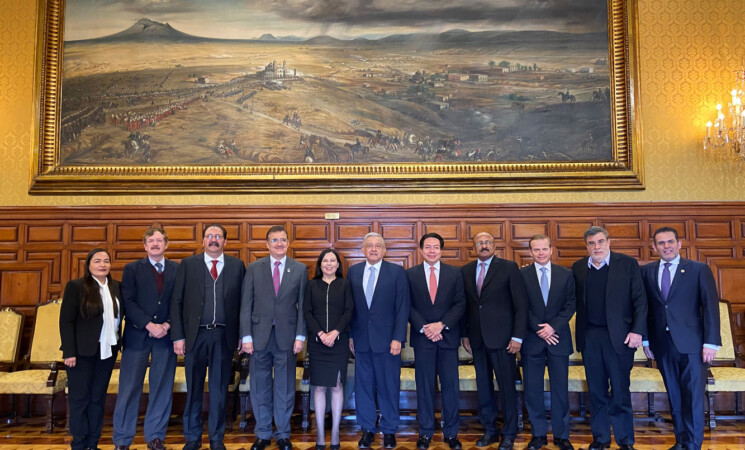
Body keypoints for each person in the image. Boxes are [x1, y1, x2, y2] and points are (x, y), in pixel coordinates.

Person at [641, 227, 720, 450]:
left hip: (694, 345)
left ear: (679, 244)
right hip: (662, 345)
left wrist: (711, 342)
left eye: (670, 242)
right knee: (674, 396)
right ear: (654, 247)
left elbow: (710, 307)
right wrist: (646, 340)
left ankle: (694, 444)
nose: (666, 246)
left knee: (693, 397)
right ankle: (681, 441)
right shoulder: (646, 272)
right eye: (661, 243)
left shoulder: (698, 269)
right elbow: (644, 308)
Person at [170, 224, 246, 450]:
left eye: (218, 236)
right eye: (209, 236)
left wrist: (242, 335)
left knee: (220, 390)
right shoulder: (188, 265)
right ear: (203, 240)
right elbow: (177, 302)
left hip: (223, 336)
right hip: (195, 336)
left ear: (225, 241)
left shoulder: (237, 266)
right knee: (193, 388)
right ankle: (192, 439)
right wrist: (178, 337)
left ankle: (216, 438)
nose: (214, 239)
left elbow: (244, 304)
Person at [572, 226, 647, 450]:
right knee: (596, 391)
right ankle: (601, 439)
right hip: (590, 337)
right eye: (591, 243)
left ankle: (625, 441)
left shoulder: (627, 264)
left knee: (621, 391)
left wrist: (637, 331)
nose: (596, 247)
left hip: (621, 338)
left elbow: (640, 301)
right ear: (586, 246)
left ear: (608, 242)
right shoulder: (577, 268)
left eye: (600, 242)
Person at [241, 225, 307, 450]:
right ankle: (262, 433)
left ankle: (282, 433)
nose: (279, 244)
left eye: (283, 240)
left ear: (288, 243)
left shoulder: (299, 269)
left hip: (287, 338)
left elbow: (302, 306)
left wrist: (300, 335)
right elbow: (245, 304)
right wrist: (246, 336)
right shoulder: (253, 267)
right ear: (267, 244)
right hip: (258, 337)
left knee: (285, 387)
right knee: (259, 387)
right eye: (274, 240)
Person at [461, 231, 528, 450]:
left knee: (507, 386)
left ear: (494, 245)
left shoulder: (509, 268)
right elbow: (467, 307)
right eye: (479, 242)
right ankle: (489, 429)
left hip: (504, 340)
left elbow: (521, 305)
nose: (484, 245)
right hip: (477, 340)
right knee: (484, 386)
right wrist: (464, 334)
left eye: (487, 242)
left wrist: (517, 336)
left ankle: (509, 431)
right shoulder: (466, 271)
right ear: (473, 247)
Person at [113, 227, 178, 450]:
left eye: (159, 240)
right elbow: (128, 302)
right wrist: (149, 325)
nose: (155, 244)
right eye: (151, 240)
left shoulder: (177, 270)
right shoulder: (132, 269)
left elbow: (179, 302)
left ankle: (155, 436)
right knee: (129, 388)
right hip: (137, 335)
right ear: (145, 245)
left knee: (162, 387)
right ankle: (123, 439)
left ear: (166, 245)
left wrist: (167, 325)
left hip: (166, 338)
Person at [348, 232, 410, 449]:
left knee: (388, 386)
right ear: (363, 250)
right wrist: (350, 337)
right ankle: (367, 430)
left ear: (384, 250)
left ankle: (390, 429)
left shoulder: (396, 272)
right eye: (369, 246)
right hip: (361, 340)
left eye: (378, 246)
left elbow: (402, 308)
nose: (373, 249)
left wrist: (398, 338)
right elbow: (350, 308)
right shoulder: (353, 272)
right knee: (363, 386)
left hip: (388, 342)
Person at [406, 233, 465, 450]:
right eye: (428, 247)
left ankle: (451, 433)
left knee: (451, 387)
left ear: (441, 250)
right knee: (424, 387)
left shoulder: (454, 274)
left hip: (447, 338)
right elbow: (407, 305)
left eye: (436, 247)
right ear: (421, 250)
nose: (432, 251)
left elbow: (460, 304)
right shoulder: (410, 274)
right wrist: (425, 327)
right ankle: (425, 432)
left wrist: (442, 325)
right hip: (423, 340)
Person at [60, 248, 122, 450]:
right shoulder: (76, 286)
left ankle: (93, 443)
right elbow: (66, 321)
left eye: (106, 261)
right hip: (81, 353)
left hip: (108, 351)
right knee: (80, 400)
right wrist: (69, 352)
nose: (102, 264)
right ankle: (79, 443)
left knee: (97, 399)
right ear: (88, 265)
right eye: (97, 261)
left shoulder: (117, 287)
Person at [519, 235, 576, 450]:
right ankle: (538, 435)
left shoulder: (566, 274)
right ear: (531, 252)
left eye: (544, 249)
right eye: (536, 249)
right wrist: (539, 329)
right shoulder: (521, 275)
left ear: (551, 250)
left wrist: (553, 327)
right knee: (532, 389)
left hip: (558, 338)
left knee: (560, 389)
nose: (541, 253)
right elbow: (521, 305)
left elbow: (571, 304)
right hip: (532, 340)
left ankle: (562, 435)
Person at [303, 248, 354, 450]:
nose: (329, 264)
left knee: (337, 385)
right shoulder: (311, 285)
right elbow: (307, 312)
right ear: (320, 264)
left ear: (338, 265)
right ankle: (320, 435)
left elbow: (349, 310)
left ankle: (334, 433)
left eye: (333, 261)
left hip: (339, 342)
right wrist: (321, 334)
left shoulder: (345, 285)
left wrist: (334, 333)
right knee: (320, 386)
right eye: (326, 261)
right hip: (317, 343)